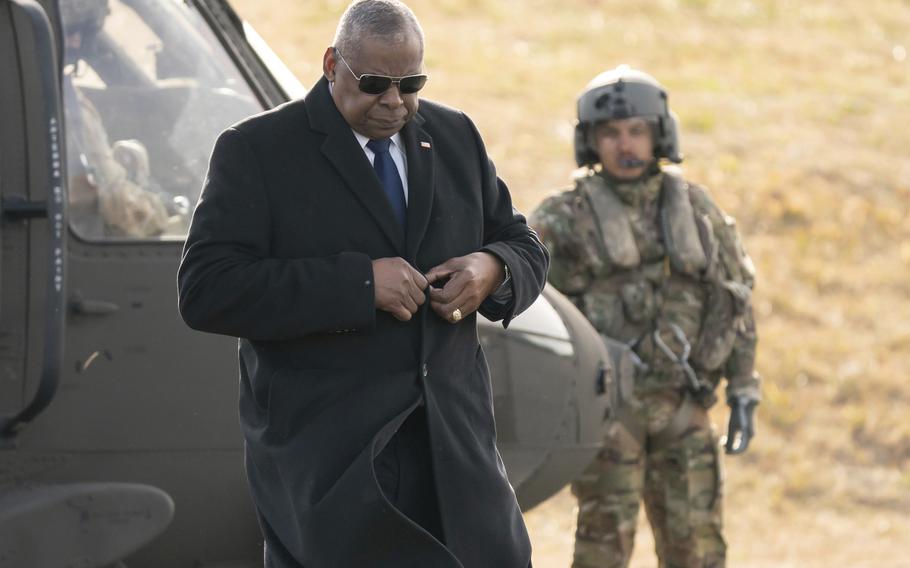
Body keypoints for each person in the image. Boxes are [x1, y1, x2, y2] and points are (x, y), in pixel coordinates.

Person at [176, 1, 548, 566]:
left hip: (456, 453)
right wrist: (357, 285)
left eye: (411, 83)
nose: (394, 102)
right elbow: (206, 289)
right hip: (336, 465)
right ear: (331, 64)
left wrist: (491, 269)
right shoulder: (257, 151)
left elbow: (524, 246)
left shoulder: (453, 135)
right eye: (374, 84)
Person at [530, 66, 760, 568]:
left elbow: (734, 298)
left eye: (637, 130)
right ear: (590, 141)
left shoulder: (695, 209)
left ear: (660, 134)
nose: (624, 144)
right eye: (610, 133)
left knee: (698, 551)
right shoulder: (561, 219)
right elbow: (530, 316)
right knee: (602, 551)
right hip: (606, 413)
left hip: (684, 405)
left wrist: (743, 387)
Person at [60, 0, 171, 239]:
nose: (76, 42)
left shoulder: (57, 91)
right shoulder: (61, 103)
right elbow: (117, 202)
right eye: (70, 32)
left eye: (83, 32)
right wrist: (165, 220)